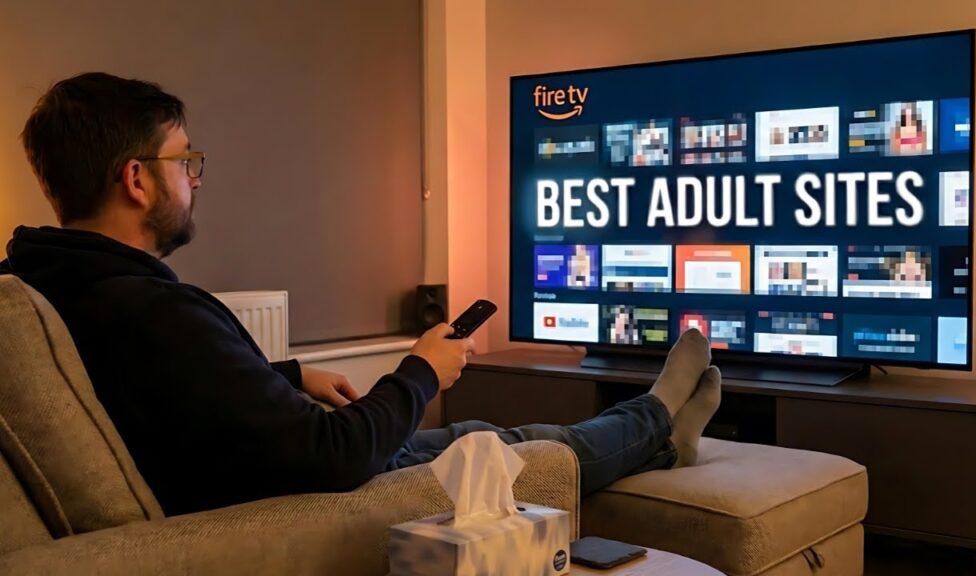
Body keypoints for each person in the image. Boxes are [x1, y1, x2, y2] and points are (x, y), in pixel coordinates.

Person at [0, 72, 722, 516]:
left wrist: (289, 375)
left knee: (482, 433)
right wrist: (422, 371)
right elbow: (336, 456)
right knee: (517, 450)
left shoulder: (55, 287)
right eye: (185, 161)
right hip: (311, 495)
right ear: (136, 179)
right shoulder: (151, 309)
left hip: (259, 463)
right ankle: (658, 413)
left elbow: (170, 392)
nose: (194, 180)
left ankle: (662, 442)